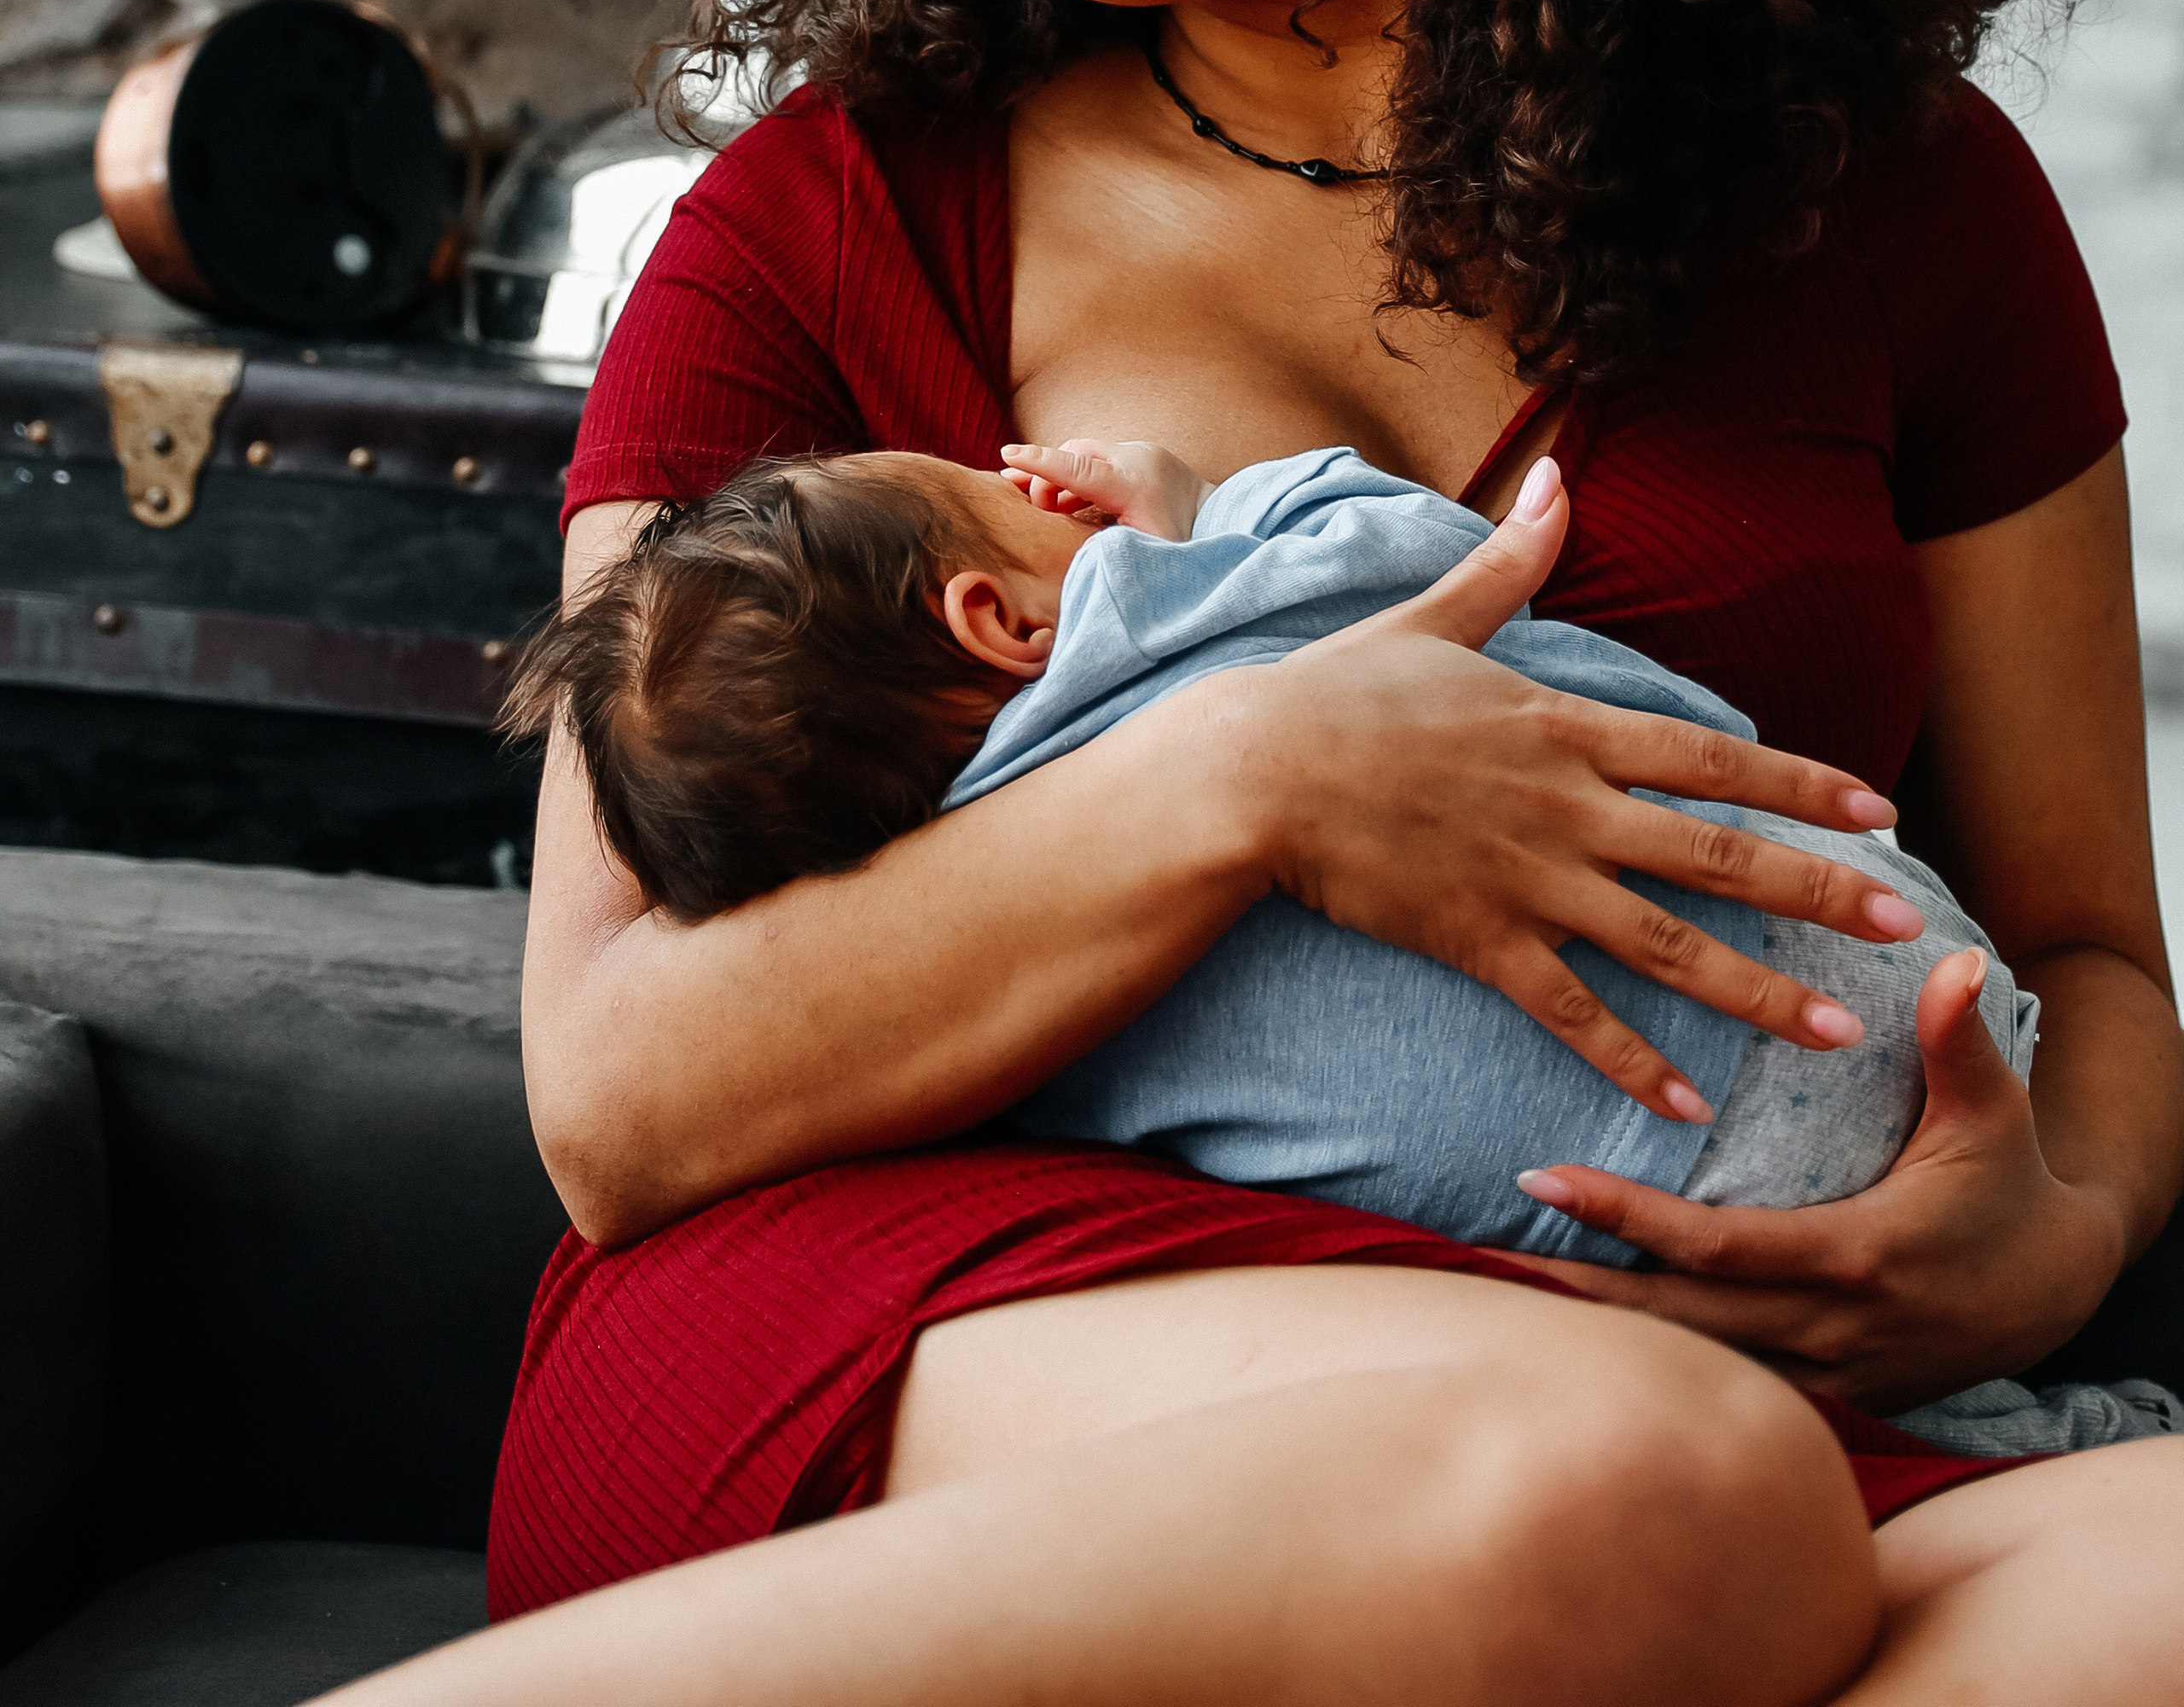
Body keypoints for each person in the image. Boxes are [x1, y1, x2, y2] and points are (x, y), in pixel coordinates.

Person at [325, 0, 2184, 1707]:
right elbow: (622, 1090)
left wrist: (2059, 1225)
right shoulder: (825, 234)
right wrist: (1248, 778)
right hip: (974, 1322)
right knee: (1639, 1493)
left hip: (1721, 1359)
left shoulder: (1905, 209)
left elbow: (2098, 957)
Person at [508, 431, 2049, 1286]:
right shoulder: (1154, 609)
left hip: (1664, 1244)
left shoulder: (991, 1028)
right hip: (1897, 1001)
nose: (1036, 489)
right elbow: (1434, 563)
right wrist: (1203, 522)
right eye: (997, 496)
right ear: (997, 620)